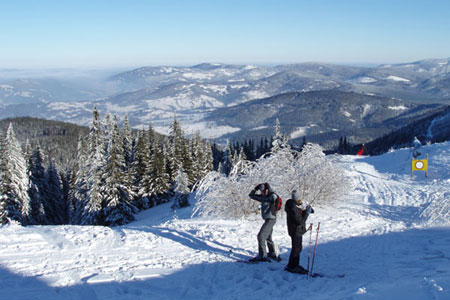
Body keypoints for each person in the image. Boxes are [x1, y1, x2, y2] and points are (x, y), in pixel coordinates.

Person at [248, 182, 280, 262]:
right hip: (267, 219)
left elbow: (275, 197)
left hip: (271, 220)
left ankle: (262, 256)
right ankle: (272, 253)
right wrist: (255, 189)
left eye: (263, 190)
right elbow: (251, 195)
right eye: (261, 191)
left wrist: (269, 189)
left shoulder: (271, 196)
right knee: (268, 237)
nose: (262, 192)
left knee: (261, 236)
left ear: (267, 190)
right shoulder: (263, 197)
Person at [284, 190, 314, 274]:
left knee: (297, 248)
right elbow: (299, 221)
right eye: (300, 199)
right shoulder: (293, 207)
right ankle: (293, 267)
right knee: (296, 249)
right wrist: (306, 213)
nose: (301, 200)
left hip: (295, 229)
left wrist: (306, 210)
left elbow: (298, 216)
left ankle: (293, 265)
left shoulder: (293, 206)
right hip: (295, 230)